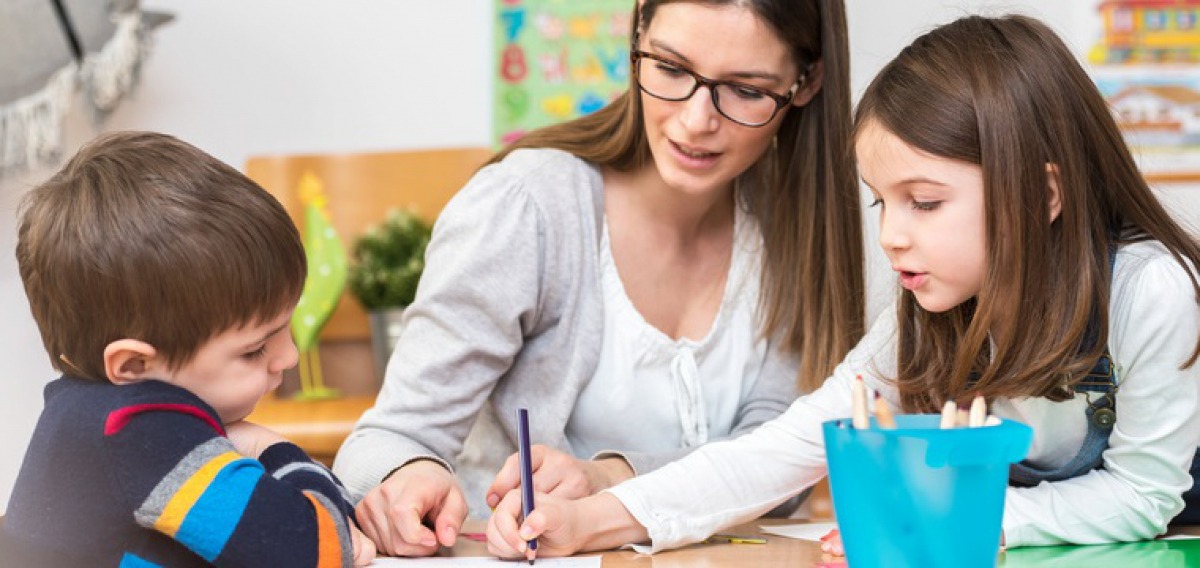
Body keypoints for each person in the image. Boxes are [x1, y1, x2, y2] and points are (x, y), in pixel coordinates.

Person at [485, 14, 1200, 560]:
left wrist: (964, 520)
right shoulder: (931, 306)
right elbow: (788, 446)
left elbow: (1143, 496)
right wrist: (591, 521)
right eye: (880, 202)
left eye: (924, 202)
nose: (890, 236)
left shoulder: (1151, 293)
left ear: (1043, 195)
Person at [334, 0, 875, 557]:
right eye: (669, 68)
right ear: (638, 27)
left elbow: (777, 470)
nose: (695, 121)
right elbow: (386, 442)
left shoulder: (794, 228)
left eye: (747, 91)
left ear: (806, 82)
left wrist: (611, 479)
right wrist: (409, 474)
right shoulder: (528, 207)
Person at [2, 132, 375, 567]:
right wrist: (272, 448)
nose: (289, 357)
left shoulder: (81, 410)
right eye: (255, 350)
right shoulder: (140, 430)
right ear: (135, 365)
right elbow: (321, 548)